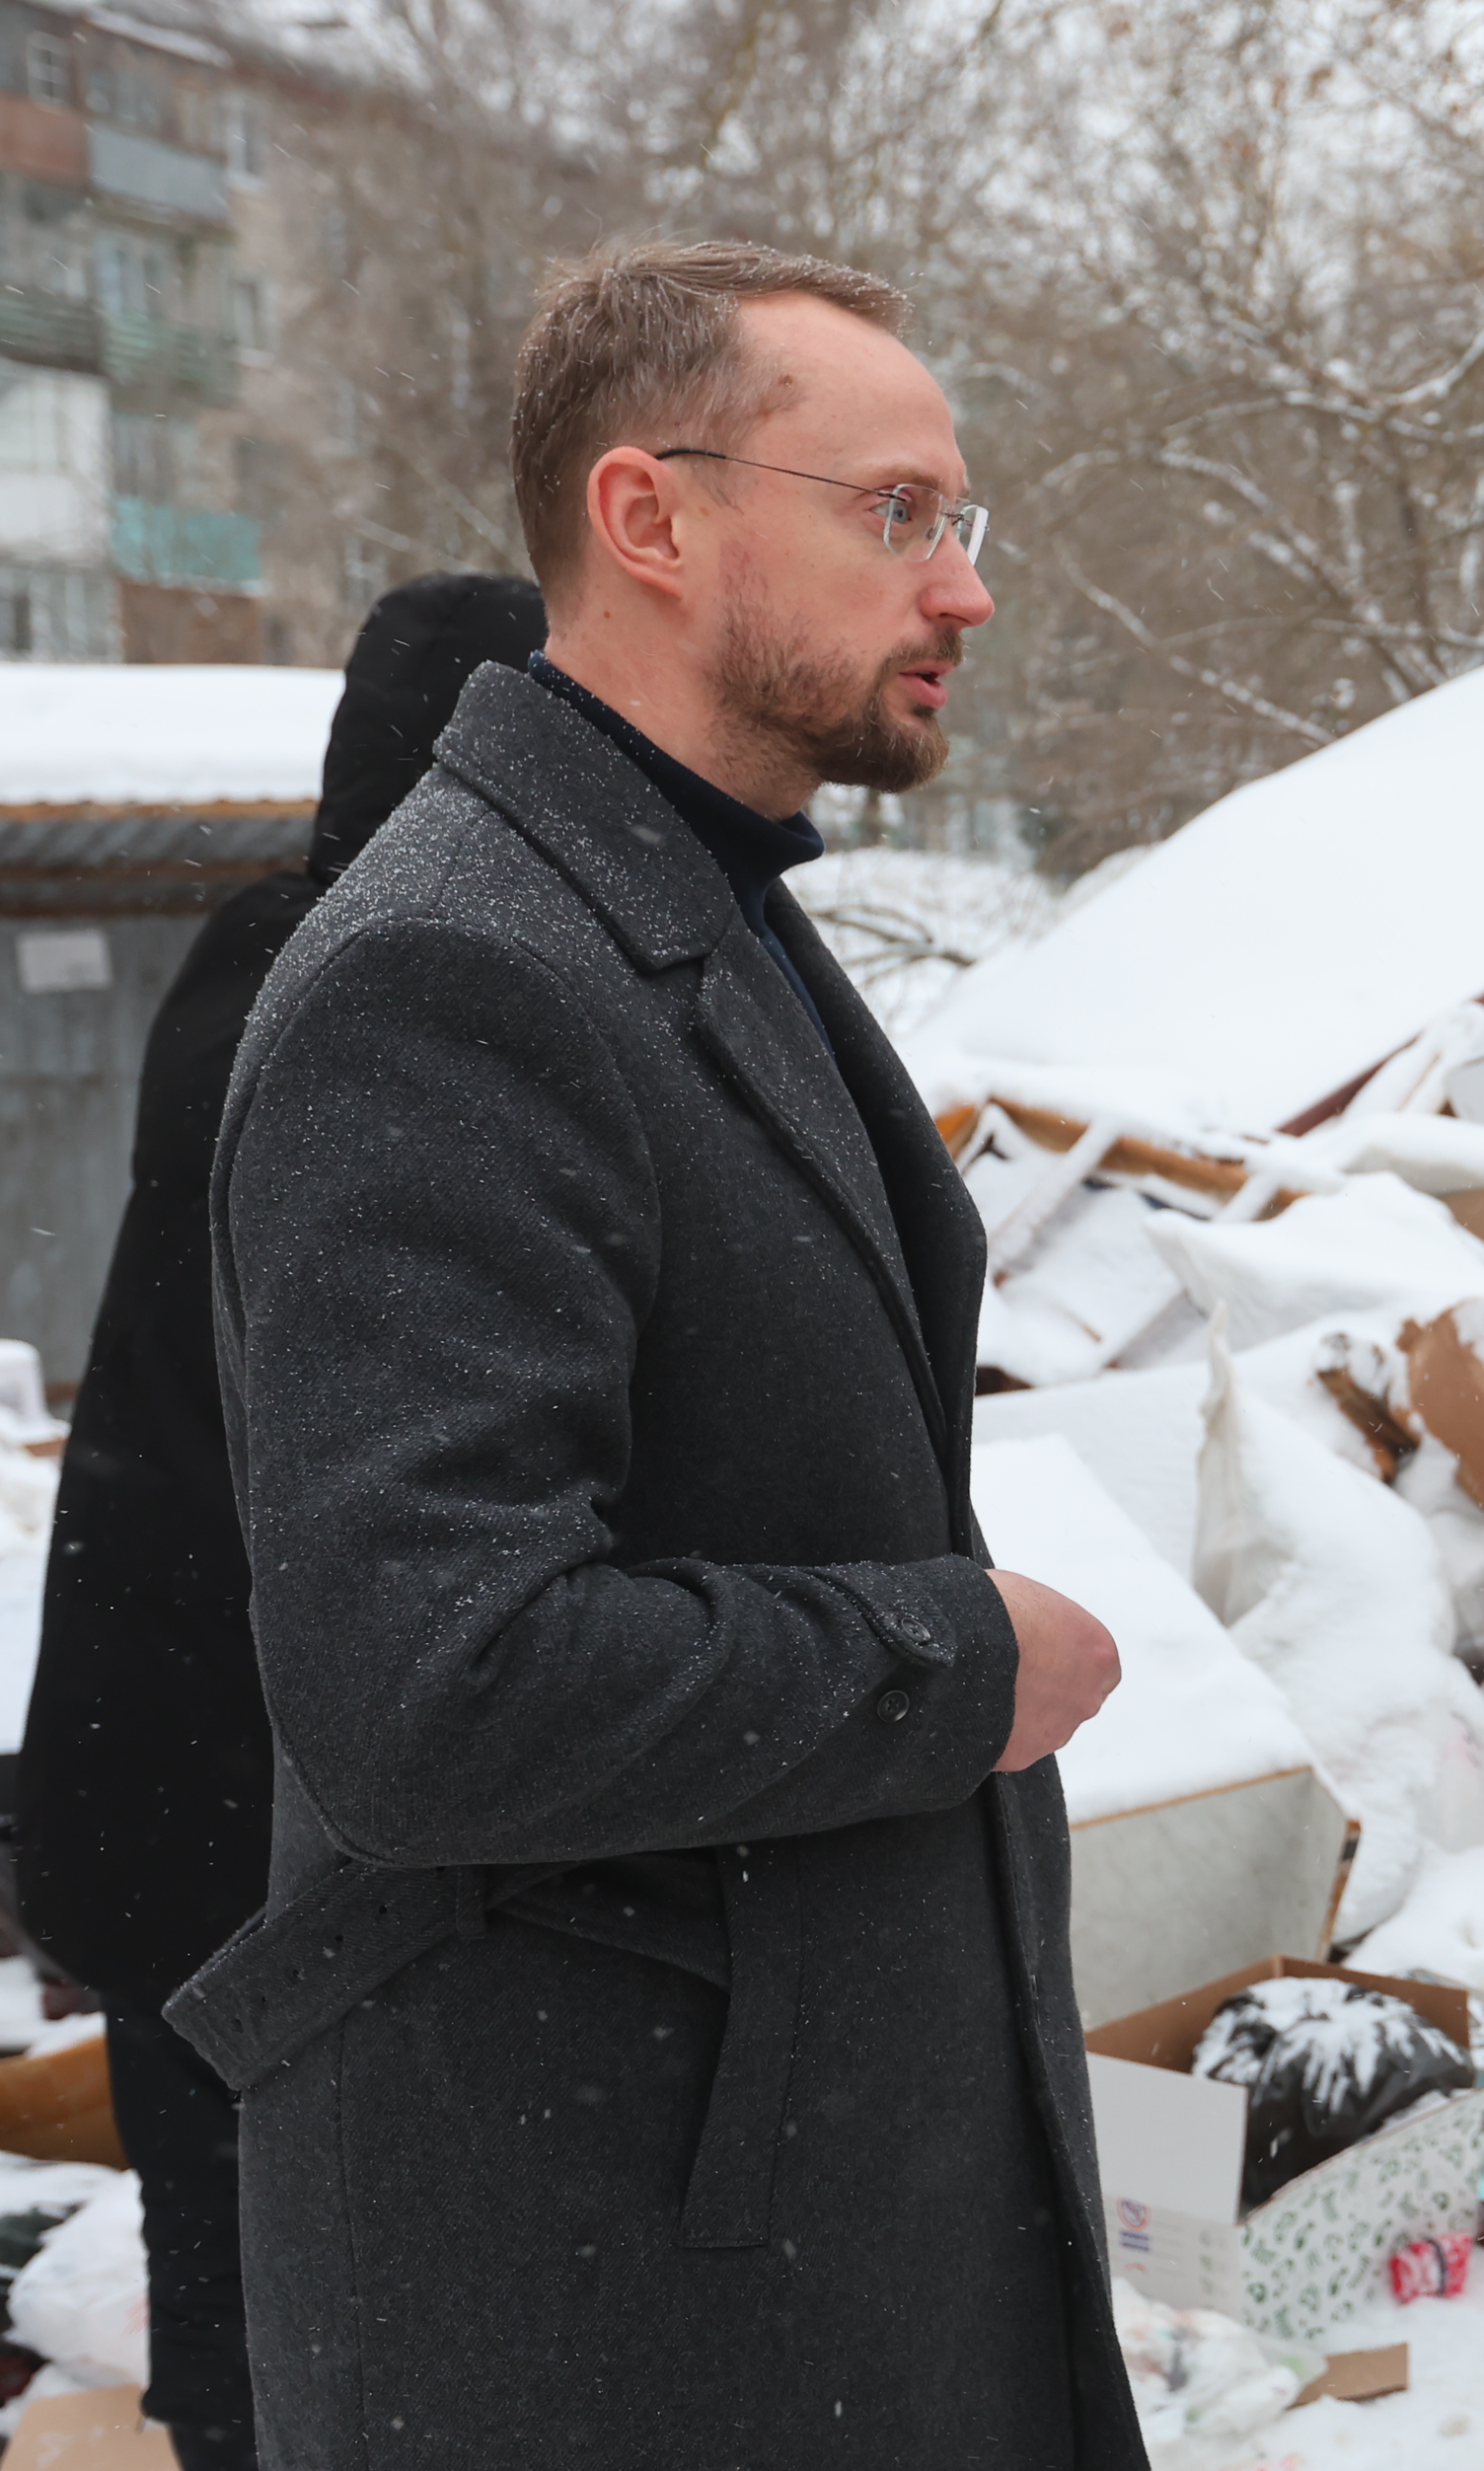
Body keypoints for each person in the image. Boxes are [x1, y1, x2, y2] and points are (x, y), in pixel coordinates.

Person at [173, 241, 1140, 2471]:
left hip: (779, 2212)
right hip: (617, 2281)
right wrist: (955, 1662)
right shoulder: (452, 971)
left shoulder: (679, 903)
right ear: (652, 519)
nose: (964, 587)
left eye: (958, 519)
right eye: (898, 511)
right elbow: (432, 1684)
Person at [16, 570, 547, 2471]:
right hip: (247, 1798)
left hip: (150, 1766)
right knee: (313, 2327)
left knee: (242, 2289)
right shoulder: (392, 1005)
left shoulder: (257, 949)